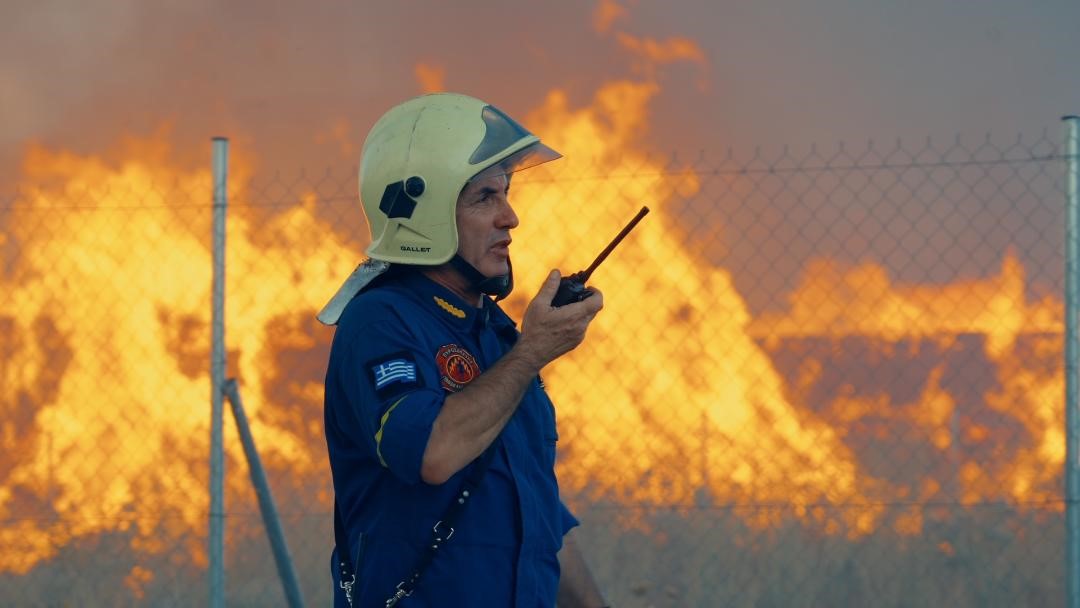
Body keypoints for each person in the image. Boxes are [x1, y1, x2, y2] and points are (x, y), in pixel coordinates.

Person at [318, 92, 609, 607]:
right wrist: (531, 352)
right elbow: (433, 452)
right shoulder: (381, 322)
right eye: (484, 198)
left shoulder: (495, 332)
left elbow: (539, 521)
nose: (510, 218)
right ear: (423, 215)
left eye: (507, 193)